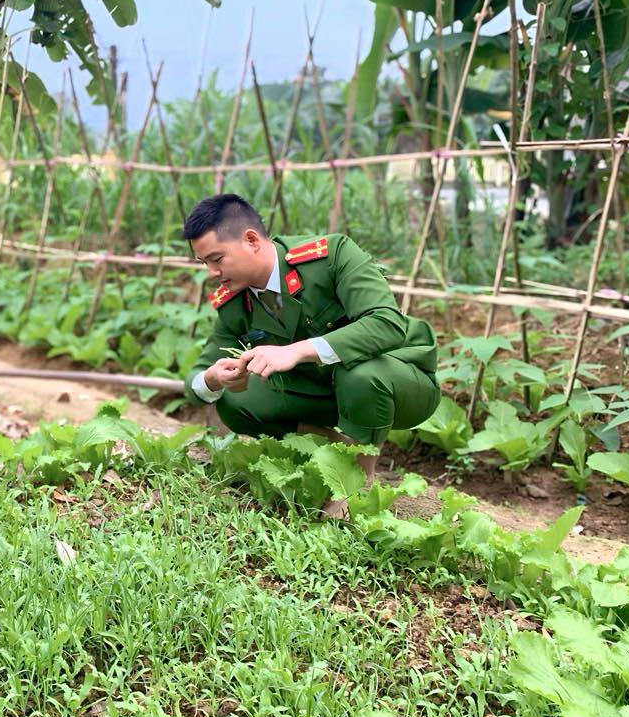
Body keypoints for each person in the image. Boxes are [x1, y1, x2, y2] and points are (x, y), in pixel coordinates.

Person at [182, 194, 439, 517]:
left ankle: (356, 481)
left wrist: (297, 351)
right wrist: (213, 377)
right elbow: (195, 380)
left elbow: (386, 324)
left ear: (250, 240)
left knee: (358, 372)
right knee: (235, 402)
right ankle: (339, 451)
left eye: (216, 259)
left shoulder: (330, 257)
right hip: (325, 393)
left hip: (398, 383)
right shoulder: (236, 300)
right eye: (203, 262)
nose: (210, 272)